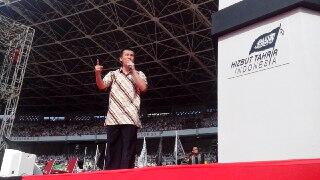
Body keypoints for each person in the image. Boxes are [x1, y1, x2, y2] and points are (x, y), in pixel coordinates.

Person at [95, 48, 148, 170]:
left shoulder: (139, 74)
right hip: (113, 117)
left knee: (128, 151)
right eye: (127, 55)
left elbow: (143, 87)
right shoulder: (113, 74)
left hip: (130, 117)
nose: (129, 57)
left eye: (132, 55)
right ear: (120, 59)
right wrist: (97, 73)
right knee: (112, 151)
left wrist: (133, 70)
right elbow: (102, 86)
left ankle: (126, 176)